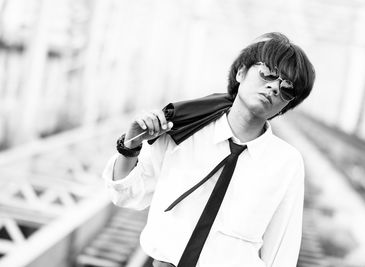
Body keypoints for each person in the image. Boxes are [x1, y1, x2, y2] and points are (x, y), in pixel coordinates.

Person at [102, 32, 315, 267]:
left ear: (288, 104)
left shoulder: (286, 163)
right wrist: (130, 147)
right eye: (268, 73)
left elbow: (281, 251)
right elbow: (126, 195)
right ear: (241, 72)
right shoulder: (184, 130)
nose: (274, 87)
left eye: (287, 89)